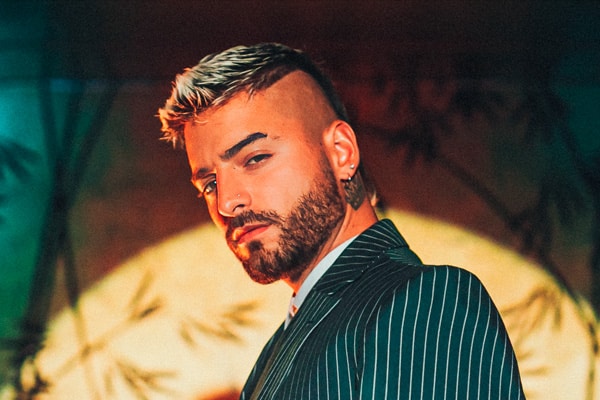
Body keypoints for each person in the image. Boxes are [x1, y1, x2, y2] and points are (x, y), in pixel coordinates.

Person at [158, 42, 525, 399]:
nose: (227, 202)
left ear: (341, 152)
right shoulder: (279, 348)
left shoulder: (426, 301)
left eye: (255, 159)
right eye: (209, 184)